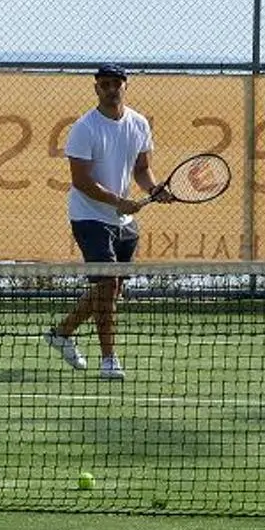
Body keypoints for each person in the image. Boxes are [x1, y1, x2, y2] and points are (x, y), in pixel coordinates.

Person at [43, 64, 161, 382]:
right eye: (104, 84)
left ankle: (62, 332)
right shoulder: (84, 128)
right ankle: (109, 359)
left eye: (116, 83)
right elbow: (81, 180)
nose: (111, 89)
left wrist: (153, 189)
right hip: (89, 216)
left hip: (124, 221)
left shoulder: (138, 124)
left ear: (126, 86)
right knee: (106, 286)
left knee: (111, 290)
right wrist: (119, 202)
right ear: (96, 88)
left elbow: (142, 168)